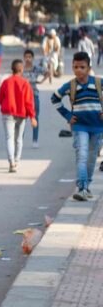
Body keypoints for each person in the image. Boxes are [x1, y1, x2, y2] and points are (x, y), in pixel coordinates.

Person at [51, 51, 103, 201]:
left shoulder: (98, 83)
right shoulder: (70, 86)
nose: (79, 70)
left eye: (82, 67)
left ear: (88, 68)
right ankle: (81, 187)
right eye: (75, 67)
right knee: (81, 155)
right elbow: (55, 98)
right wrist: (67, 115)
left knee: (91, 158)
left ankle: (87, 186)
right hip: (79, 127)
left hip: (98, 127)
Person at [0, 59, 37, 173]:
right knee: (19, 139)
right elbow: (29, 102)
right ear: (21, 69)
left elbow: (0, 98)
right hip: (21, 114)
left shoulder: (6, 82)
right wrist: (32, 117)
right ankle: (17, 160)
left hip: (8, 113)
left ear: (12, 69)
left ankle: (11, 163)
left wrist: (6, 105)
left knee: (9, 138)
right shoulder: (25, 83)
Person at [22, 49, 45, 149]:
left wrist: (41, 81)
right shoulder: (21, 69)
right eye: (26, 57)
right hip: (22, 97)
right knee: (22, 119)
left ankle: (35, 140)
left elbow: (47, 72)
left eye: (29, 57)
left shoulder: (36, 68)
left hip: (34, 95)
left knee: (35, 118)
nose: (28, 59)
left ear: (32, 58)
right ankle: (20, 140)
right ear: (24, 58)